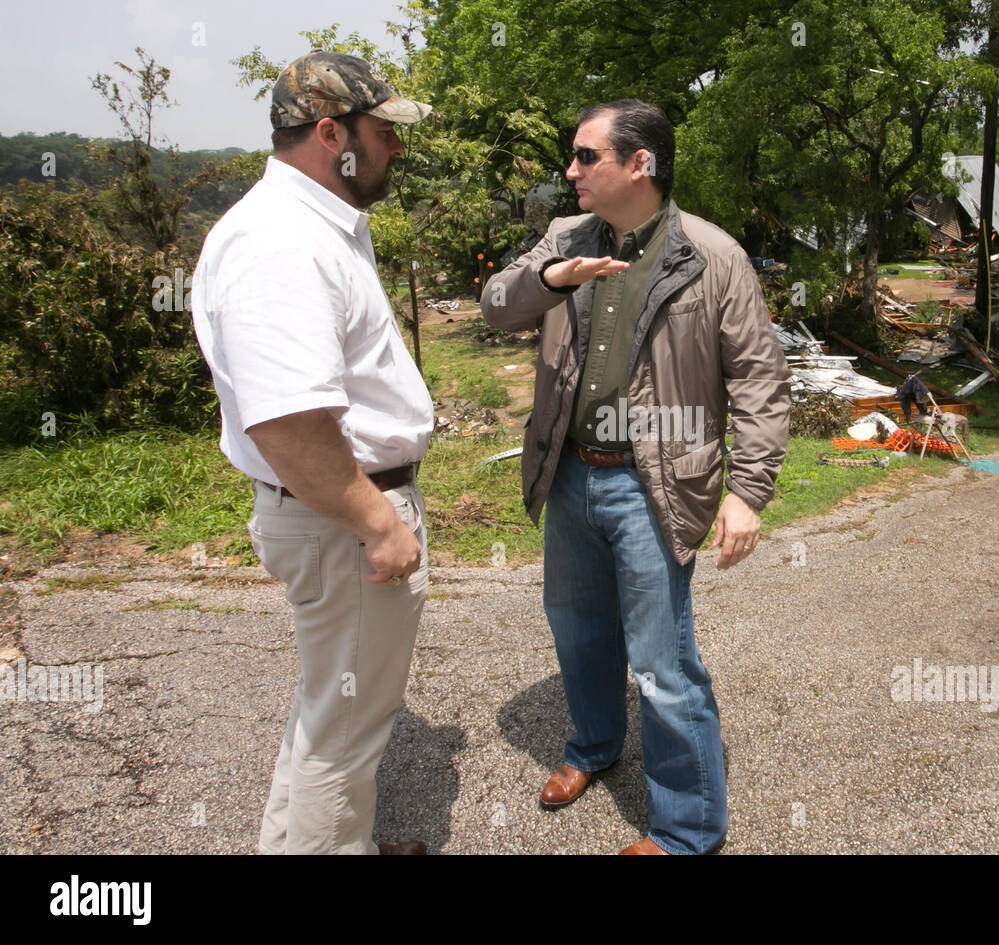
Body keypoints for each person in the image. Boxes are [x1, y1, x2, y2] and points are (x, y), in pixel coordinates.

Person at [481, 99, 790, 855]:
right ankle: (593, 745)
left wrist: (748, 492)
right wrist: (553, 276)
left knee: (661, 662)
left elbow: (759, 381)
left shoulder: (712, 256)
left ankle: (687, 827)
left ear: (639, 163)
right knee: (579, 631)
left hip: (652, 483)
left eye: (587, 156)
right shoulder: (563, 238)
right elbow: (495, 307)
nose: (572, 169)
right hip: (570, 474)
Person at [190, 51, 436, 854]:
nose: (398, 149)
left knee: (330, 707)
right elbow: (291, 425)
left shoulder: (311, 222)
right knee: (347, 732)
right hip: (343, 517)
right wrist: (380, 523)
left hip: (335, 512)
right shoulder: (283, 243)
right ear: (332, 133)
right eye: (384, 132)